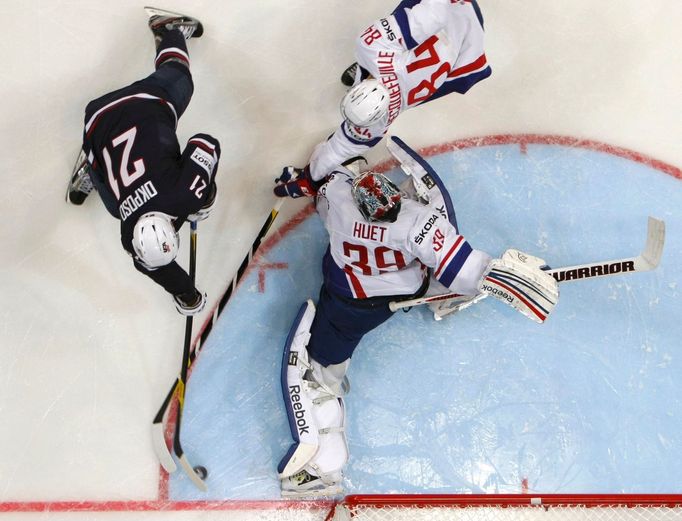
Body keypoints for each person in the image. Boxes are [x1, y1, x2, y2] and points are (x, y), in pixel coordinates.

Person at [276, 138, 559, 498]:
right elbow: (468, 271)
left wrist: (316, 176)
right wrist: (504, 277)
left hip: (350, 297)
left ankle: (323, 468)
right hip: (400, 290)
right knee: (442, 263)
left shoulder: (338, 200)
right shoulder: (417, 222)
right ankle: (442, 298)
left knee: (322, 367)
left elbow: (325, 179)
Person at [66, 7, 220, 316]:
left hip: (137, 105)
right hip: (93, 125)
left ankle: (169, 31)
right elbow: (155, 267)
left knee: (179, 78)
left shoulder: (182, 195)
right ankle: (91, 169)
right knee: (115, 207)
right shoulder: (128, 236)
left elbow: (206, 143)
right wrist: (185, 294)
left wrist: (203, 193)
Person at [273, 0, 491, 199]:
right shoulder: (372, 46)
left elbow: (338, 148)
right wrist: (309, 179)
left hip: (445, 50)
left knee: (409, 26)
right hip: (462, 35)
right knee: (407, 24)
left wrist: (310, 179)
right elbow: (430, 17)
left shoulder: (381, 119)